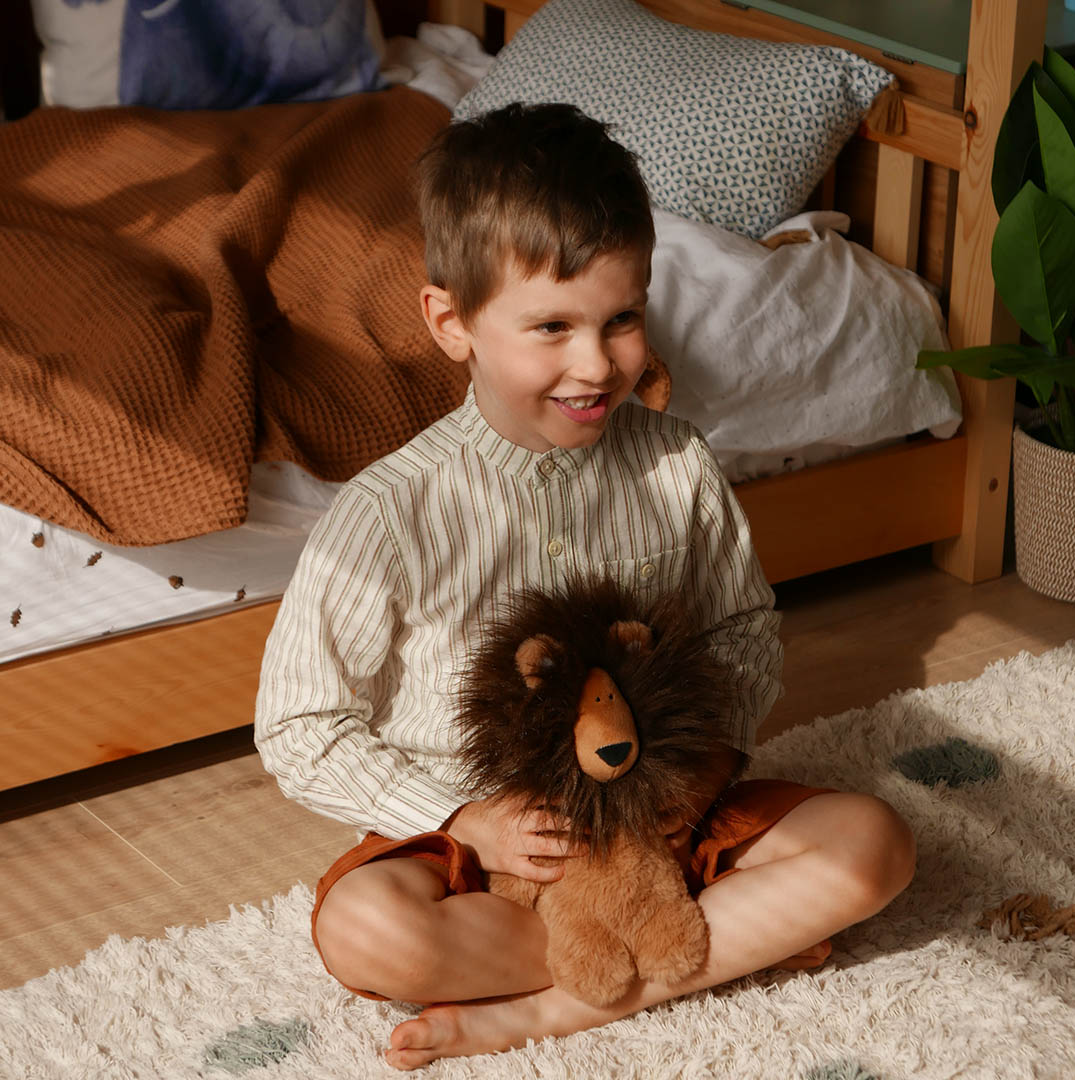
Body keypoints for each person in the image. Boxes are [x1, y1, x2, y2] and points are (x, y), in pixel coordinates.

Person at [254, 102, 916, 1071]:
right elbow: (298, 723)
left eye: (622, 320)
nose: (595, 365)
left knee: (877, 845)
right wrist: (461, 817)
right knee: (364, 932)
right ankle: (716, 945)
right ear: (453, 322)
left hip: (664, 822)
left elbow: (744, 631)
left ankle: (538, 1014)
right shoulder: (390, 513)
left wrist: (697, 770)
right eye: (551, 327)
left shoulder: (678, 465)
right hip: (491, 864)